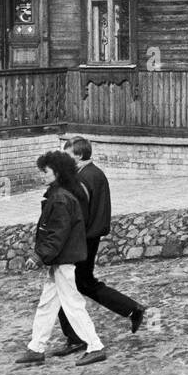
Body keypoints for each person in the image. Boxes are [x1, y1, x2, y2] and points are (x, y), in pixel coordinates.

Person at [47, 137, 146, 357]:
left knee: (67, 286)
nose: (65, 160)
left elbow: (76, 216)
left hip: (80, 241)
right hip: (92, 237)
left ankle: (77, 339)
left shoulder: (81, 179)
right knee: (84, 283)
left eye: (68, 155)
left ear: (79, 156)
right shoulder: (97, 174)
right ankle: (130, 309)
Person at [14, 150, 108, 367]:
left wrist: (39, 256)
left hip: (63, 260)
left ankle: (95, 346)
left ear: (56, 173)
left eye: (45, 171)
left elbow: (57, 233)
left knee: (73, 304)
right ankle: (36, 347)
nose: (43, 175)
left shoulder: (60, 199)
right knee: (47, 304)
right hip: (61, 259)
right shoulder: (63, 195)